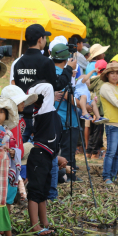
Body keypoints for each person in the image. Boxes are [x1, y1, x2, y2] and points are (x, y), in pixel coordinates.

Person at [13, 24, 76, 141]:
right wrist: (69, 69)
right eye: (44, 38)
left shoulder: (18, 63)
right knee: (42, 149)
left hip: (22, 114)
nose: (45, 41)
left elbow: (18, 86)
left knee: (20, 149)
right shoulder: (46, 62)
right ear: (39, 40)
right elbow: (57, 85)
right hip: (41, 115)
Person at [25, 83, 64, 236]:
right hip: (39, 156)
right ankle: (34, 225)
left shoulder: (49, 110)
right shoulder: (43, 111)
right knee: (35, 191)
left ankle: (44, 222)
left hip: (48, 156)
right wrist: (33, 93)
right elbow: (47, 87)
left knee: (44, 191)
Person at [51, 44, 81, 180]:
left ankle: (68, 174)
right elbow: (68, 97)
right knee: (69, 149)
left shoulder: (51, 72)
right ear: (66, 59)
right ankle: (69, 175)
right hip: (67, 118)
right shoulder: (63, 75)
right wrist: (82, 104)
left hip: (57, 117)